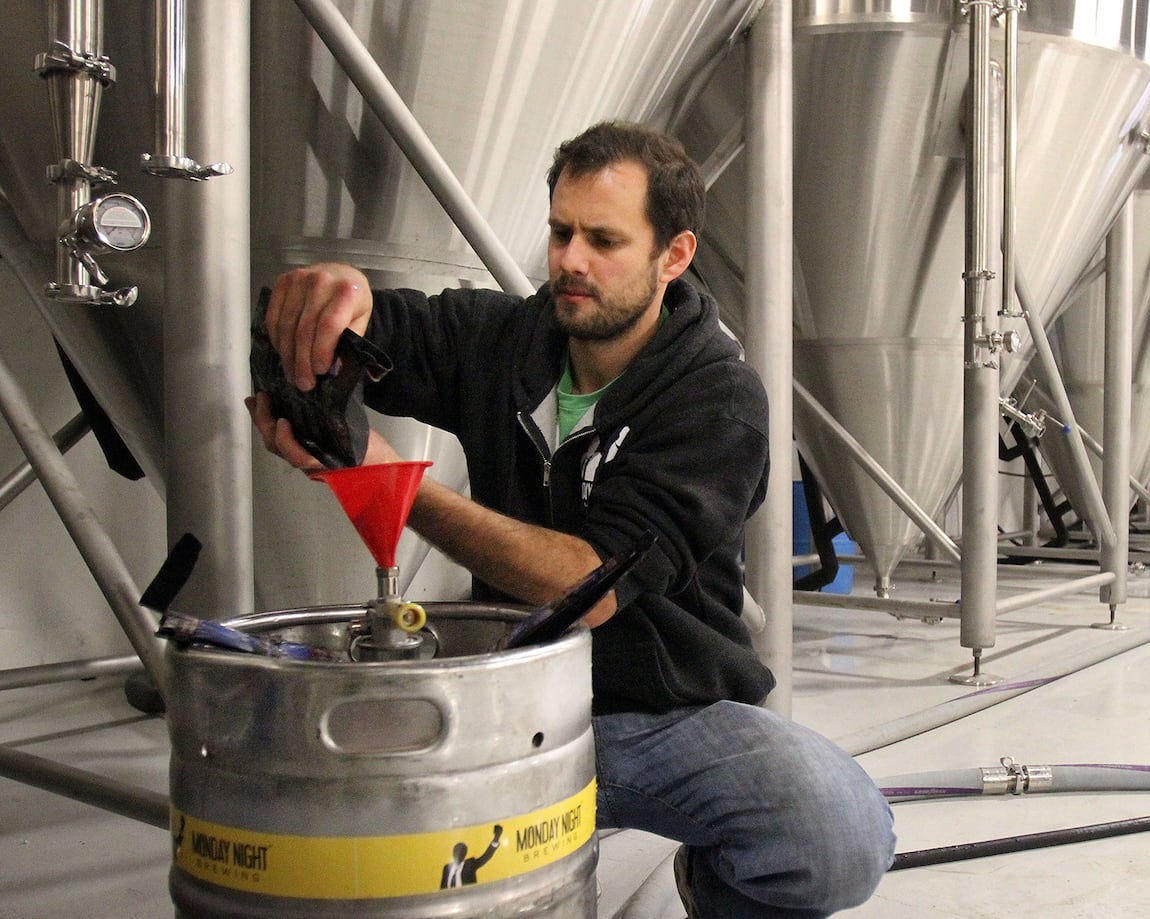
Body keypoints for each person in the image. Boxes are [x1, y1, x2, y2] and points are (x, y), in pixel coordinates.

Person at [249, 121, 895, 917]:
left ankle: (712, 885)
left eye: (603, 239)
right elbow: (392, 330)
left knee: (838, 834)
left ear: (675, 256)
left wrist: (393, 485)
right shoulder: (504, 339)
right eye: (560, 232)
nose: (571, 261)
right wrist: (339, 302)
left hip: (662, 718)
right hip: (505, 710)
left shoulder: (718, 401)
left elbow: (585, 584)